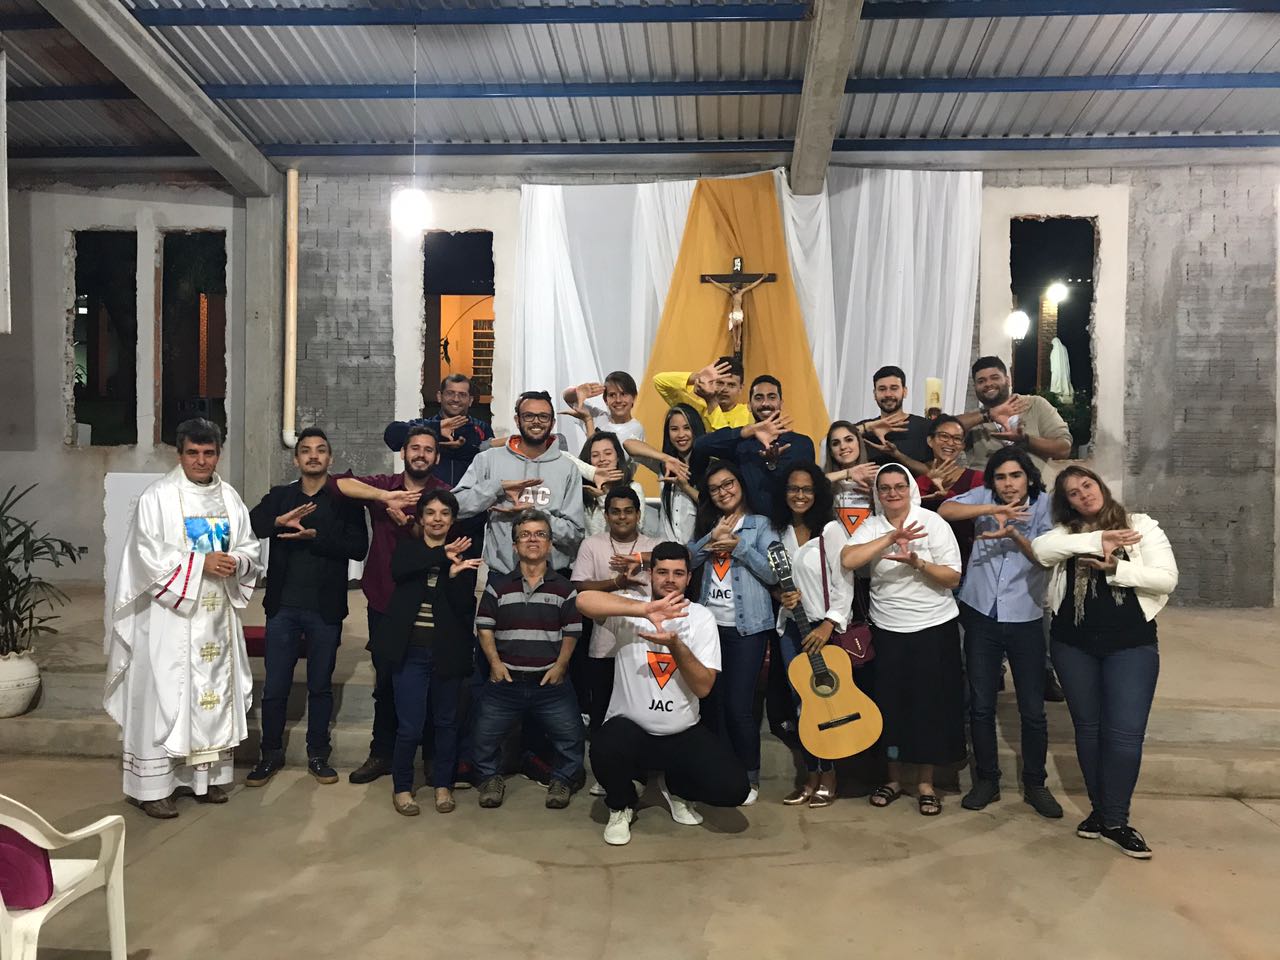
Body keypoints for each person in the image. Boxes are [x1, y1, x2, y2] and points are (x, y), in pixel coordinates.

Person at [105, 418, 262, 819]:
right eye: (193, 453)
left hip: (216, 617)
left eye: (209, 453)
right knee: (164, 697)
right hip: (168, 619)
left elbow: (249, 548)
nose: (201, 460)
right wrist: (200, 563)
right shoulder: (158, 498)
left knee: (212, 694)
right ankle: (153, 788)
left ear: (218, 454)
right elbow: (145, 557)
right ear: (179, 454)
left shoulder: (229, 498)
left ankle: (203, 781)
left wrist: (236, 561)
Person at [1032, 466, 1177, 860]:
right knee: (1089, 730)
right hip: (1073, 645)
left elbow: (1166, 579)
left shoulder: (1140, 526)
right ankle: (1102, 813)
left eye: (1087, 485)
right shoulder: (1066, 535)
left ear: (1100, 486)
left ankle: (1115, 819)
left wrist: (1118, 568)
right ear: (1067, 503)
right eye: (1073, 493)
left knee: (1125, 735)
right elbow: (1041, 551)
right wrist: (1096, 539)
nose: (1084, 494)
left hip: (1130, 645)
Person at [578, 544, 751, 845]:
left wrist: (675, 646)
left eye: (678, 573)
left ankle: (678, 789)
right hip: (630, 730)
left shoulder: (701, 617)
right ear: (650, 574)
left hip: (682, 732)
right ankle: (621, 805)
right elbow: (583, 600)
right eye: (662, 572)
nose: (670, 579)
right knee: (604, 747)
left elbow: (703, 688)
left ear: (689, 578)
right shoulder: (630, 607)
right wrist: (644, 610)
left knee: (734, 789)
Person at [938, 448, 1061, 819]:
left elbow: (1046, 559)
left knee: (1032, 709)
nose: (1008, 484)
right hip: (981, 613)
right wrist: (992, 509)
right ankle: (987, 780)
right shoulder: (985, 496)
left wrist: (1015, 535)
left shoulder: (1047, 507)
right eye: (1001, 477)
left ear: (1029, 477)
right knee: (981, 705)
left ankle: (1035, 783)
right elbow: (946, 510)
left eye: (1015, 476)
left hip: (1025, 616)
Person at [245, 428, 368, 788]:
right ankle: (270, 754)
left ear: (330, 458)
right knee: (275, 687)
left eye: (320, 450)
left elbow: (358, 547)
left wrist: (317, 537)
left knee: (320, 686)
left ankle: (318, 755)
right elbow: (252, 524)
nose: (313, 455)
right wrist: (278, 522)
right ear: (296, 458)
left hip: (325, 609)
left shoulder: (345, 501)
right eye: (306, 450)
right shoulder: (280, 496)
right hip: (283, 607)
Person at [841, 464, 964, 816]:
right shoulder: (872, 525)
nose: (892, 493)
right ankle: (893, 779)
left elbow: (953, 577)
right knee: (889, 707)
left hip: (933, 626)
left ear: (910, 489)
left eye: (899, 486)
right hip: (888, 628)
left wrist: (917, 562)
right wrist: (890, 538)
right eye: (885, 488)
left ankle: (925, 783)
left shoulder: (933, 523)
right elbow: (848, 559)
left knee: (929, 708)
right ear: (877, 493)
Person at [324, 425, 444, 784]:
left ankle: (431, 757)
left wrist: (412, 527)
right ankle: (382, 753)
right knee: (386, 682)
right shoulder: (385, 485)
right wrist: (384, 497)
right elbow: (337, 485)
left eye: (428, 449)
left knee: (432, 681)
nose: (420, 454)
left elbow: (444, 542)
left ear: (437, 457)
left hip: (426, 602)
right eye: (414, 448)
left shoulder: (442, 494)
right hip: (385, 598)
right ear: (403, 453)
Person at [373, 491, 482, 816]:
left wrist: (453, 576)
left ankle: (443, 785)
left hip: (447, 651)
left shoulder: (464, 554)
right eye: (430, 513)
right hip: (410, 651)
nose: (437, 519)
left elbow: (464, 606)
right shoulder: (408, 549)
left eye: (444, 513)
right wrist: (441, 557)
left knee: (446, 722)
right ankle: (402, 787)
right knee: (410, 726)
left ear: (452, 519)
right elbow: (400, 571)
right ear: (420, 518)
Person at [472, 509, 586, 810]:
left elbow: (572, 631)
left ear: (549, 544)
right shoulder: (498, 586)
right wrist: (495, 664)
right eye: (525, 535)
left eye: (539, 534)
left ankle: (563, 779)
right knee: (483, 736)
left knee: (571, 737)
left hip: (551, 683)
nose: (532, 540)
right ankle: (489, 778)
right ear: (514, 545)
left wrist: (561, 666)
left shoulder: (565, 588)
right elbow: (485, 626)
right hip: (505, 681)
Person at [688, 461, 779, 805]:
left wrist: (738, 546)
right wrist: (710, 539)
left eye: (728, 484)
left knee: (739, 706)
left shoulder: (761, 525)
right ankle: (718, 773)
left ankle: (749, 776)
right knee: (710, 704)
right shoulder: (708, 524)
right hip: (708, 627)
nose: (723, 492)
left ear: (740, 484)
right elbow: (686, 561)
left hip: (748, 629)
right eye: (715, 489)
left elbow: (774, 573)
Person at [769, 463, 854, 807]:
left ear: (817, 493)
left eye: (806, 489)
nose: (799, 495)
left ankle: (829, 775)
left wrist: (829, 624)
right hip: (792, 628)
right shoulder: (779, 531)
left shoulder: (830, 531)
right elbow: (775, 581)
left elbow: (844, 582)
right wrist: (781, 595)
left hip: (822, 628)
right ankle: (810, 775)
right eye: (793, 488)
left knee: (825, 704)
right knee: (800, 704)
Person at [452, 390, 585, 577]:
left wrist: (535, 515)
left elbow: (575, 535)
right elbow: (454, 507)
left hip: (553, 576)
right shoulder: (488, 460)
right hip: (502, 575)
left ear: (553, 422)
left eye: (543, 416)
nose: (536, 421)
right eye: (529, 416)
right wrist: (497, 487)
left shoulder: (567, 468)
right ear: (517, 420)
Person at [570, 486, 659, 736]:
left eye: (628, 511)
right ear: (606, 515)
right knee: (602, 711)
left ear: (638, 514)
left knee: (642, 712)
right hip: (604, 645)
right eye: (616, 512)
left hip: (644, 644)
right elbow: (580, 587)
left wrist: (641, 559)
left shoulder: (655, 545)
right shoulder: (592, 544)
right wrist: (617, 583)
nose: (622, 517)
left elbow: (680, 557)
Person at [689, 375, 816, 516]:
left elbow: (807, 488)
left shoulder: (801, 444)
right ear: (749, 406)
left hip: (791, 523)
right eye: (759, 398)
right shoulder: (740, 445)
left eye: (772, 397)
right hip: (750, 524)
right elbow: (701, 445)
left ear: (781, 403)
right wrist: (748, 430)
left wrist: (773, 464)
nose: (765, 403)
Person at [952, 356, 1072, 473]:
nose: (988, 384)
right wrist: (988, 415)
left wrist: (1025, 440)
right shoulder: (975, 418)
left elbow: (1063, 450)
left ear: (1007, 380)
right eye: (981, 381)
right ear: (975, 387)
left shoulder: (1035, 405)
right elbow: (944, 427)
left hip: (1036, 485)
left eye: (994, 378)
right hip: (986, 486)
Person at [383, 373, 496, 486]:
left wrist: (469, 447)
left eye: (462, 395)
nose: (456, 399)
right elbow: (392, 435)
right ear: (439, 396)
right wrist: (436, 428)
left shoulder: (481, 428)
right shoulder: (424, 425)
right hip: (429, 494)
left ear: (470, 400)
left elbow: (491, 464)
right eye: (450, 393)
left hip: (470, 494)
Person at [914, 415, 984, 567]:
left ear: (963, 445)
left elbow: (982, 517)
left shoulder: (977, 478)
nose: (950, 443)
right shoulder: (917, 482)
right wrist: (929, 482)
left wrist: (950, 498)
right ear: (930, 441)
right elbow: (909, 511)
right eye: (944, 436)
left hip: (965, 560)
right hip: (924, 561)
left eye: (957, 439)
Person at [855, 366, 933, 472]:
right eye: (882, 389)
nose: (888, 394)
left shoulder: (924, 427)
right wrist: (868, 427)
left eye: (894, 388)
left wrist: (897, 455)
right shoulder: (864, 429)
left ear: (904, 392)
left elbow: (933, 473)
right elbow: (837, 437)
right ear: (874, 394)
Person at [653, 356, 750, 431]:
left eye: (731, 385)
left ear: (740, 388)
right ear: (711, 382)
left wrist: (711, 402)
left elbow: (724, 441)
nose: (724, 389)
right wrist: (698, 377)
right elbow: (659, 381)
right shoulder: (696, 408)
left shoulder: (749, 414)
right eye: (720, 383)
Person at [579, 431, 646, 537]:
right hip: (591, 546)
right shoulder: (585, 490)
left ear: (618, 456)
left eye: (608, 453)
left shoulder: (634, 488)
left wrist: (603, 497)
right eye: (595, 455)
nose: (602, 459)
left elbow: (636, 527)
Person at [561, 372, 646, 446]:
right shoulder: (597, 416)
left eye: (623, 394)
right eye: (612, 395)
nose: (618, 400)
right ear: (605, 400)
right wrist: (576, 391)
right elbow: (567, 397)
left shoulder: (636, 428)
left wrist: (588, 421)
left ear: (634, 397)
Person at [824, 420, 878, 537]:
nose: (843, 447)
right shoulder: (827, 480)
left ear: (859, 443)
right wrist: (848, 473)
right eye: (835, 443)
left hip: (871, 543)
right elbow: (812, 483)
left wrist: (877, 498)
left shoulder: (877, 476)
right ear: (831, 452)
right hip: (836, 545)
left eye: (849, 440)